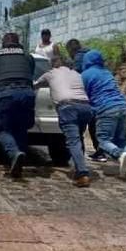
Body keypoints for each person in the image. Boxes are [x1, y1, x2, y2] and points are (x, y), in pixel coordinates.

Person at [35, 56, 94, 187]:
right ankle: (77, 166)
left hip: (67, 108)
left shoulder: (50, 74)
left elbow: (35, 85)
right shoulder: (77, 74)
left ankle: (82, 173)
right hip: (85, 107)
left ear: (52, 66)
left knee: (73, 141)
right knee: (78, 138)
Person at [0, 32, 36, 178]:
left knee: (1, 128)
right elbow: (30, 73)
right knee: (20, 128)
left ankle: (14, 153)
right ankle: (18, 163)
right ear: (18, 42)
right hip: (27, 94)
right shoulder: (27, 56)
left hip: (6, 94)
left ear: (3, 43)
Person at [81, 50, 126, 179]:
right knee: (122, 139)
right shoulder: (107, 73)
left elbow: (84, 96)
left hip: (105, 108)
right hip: (123, 106)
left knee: (103, 140)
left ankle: (120, 155)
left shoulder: (85, 75)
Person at [66, 38, 106, 163]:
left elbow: (76, 77)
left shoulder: (78, 58)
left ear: (71, 50)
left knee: (79, 126)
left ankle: (79, 154)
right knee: (94, 124)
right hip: (98, 93)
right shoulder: (92, 54)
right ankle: (100, 151)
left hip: (84, 95)